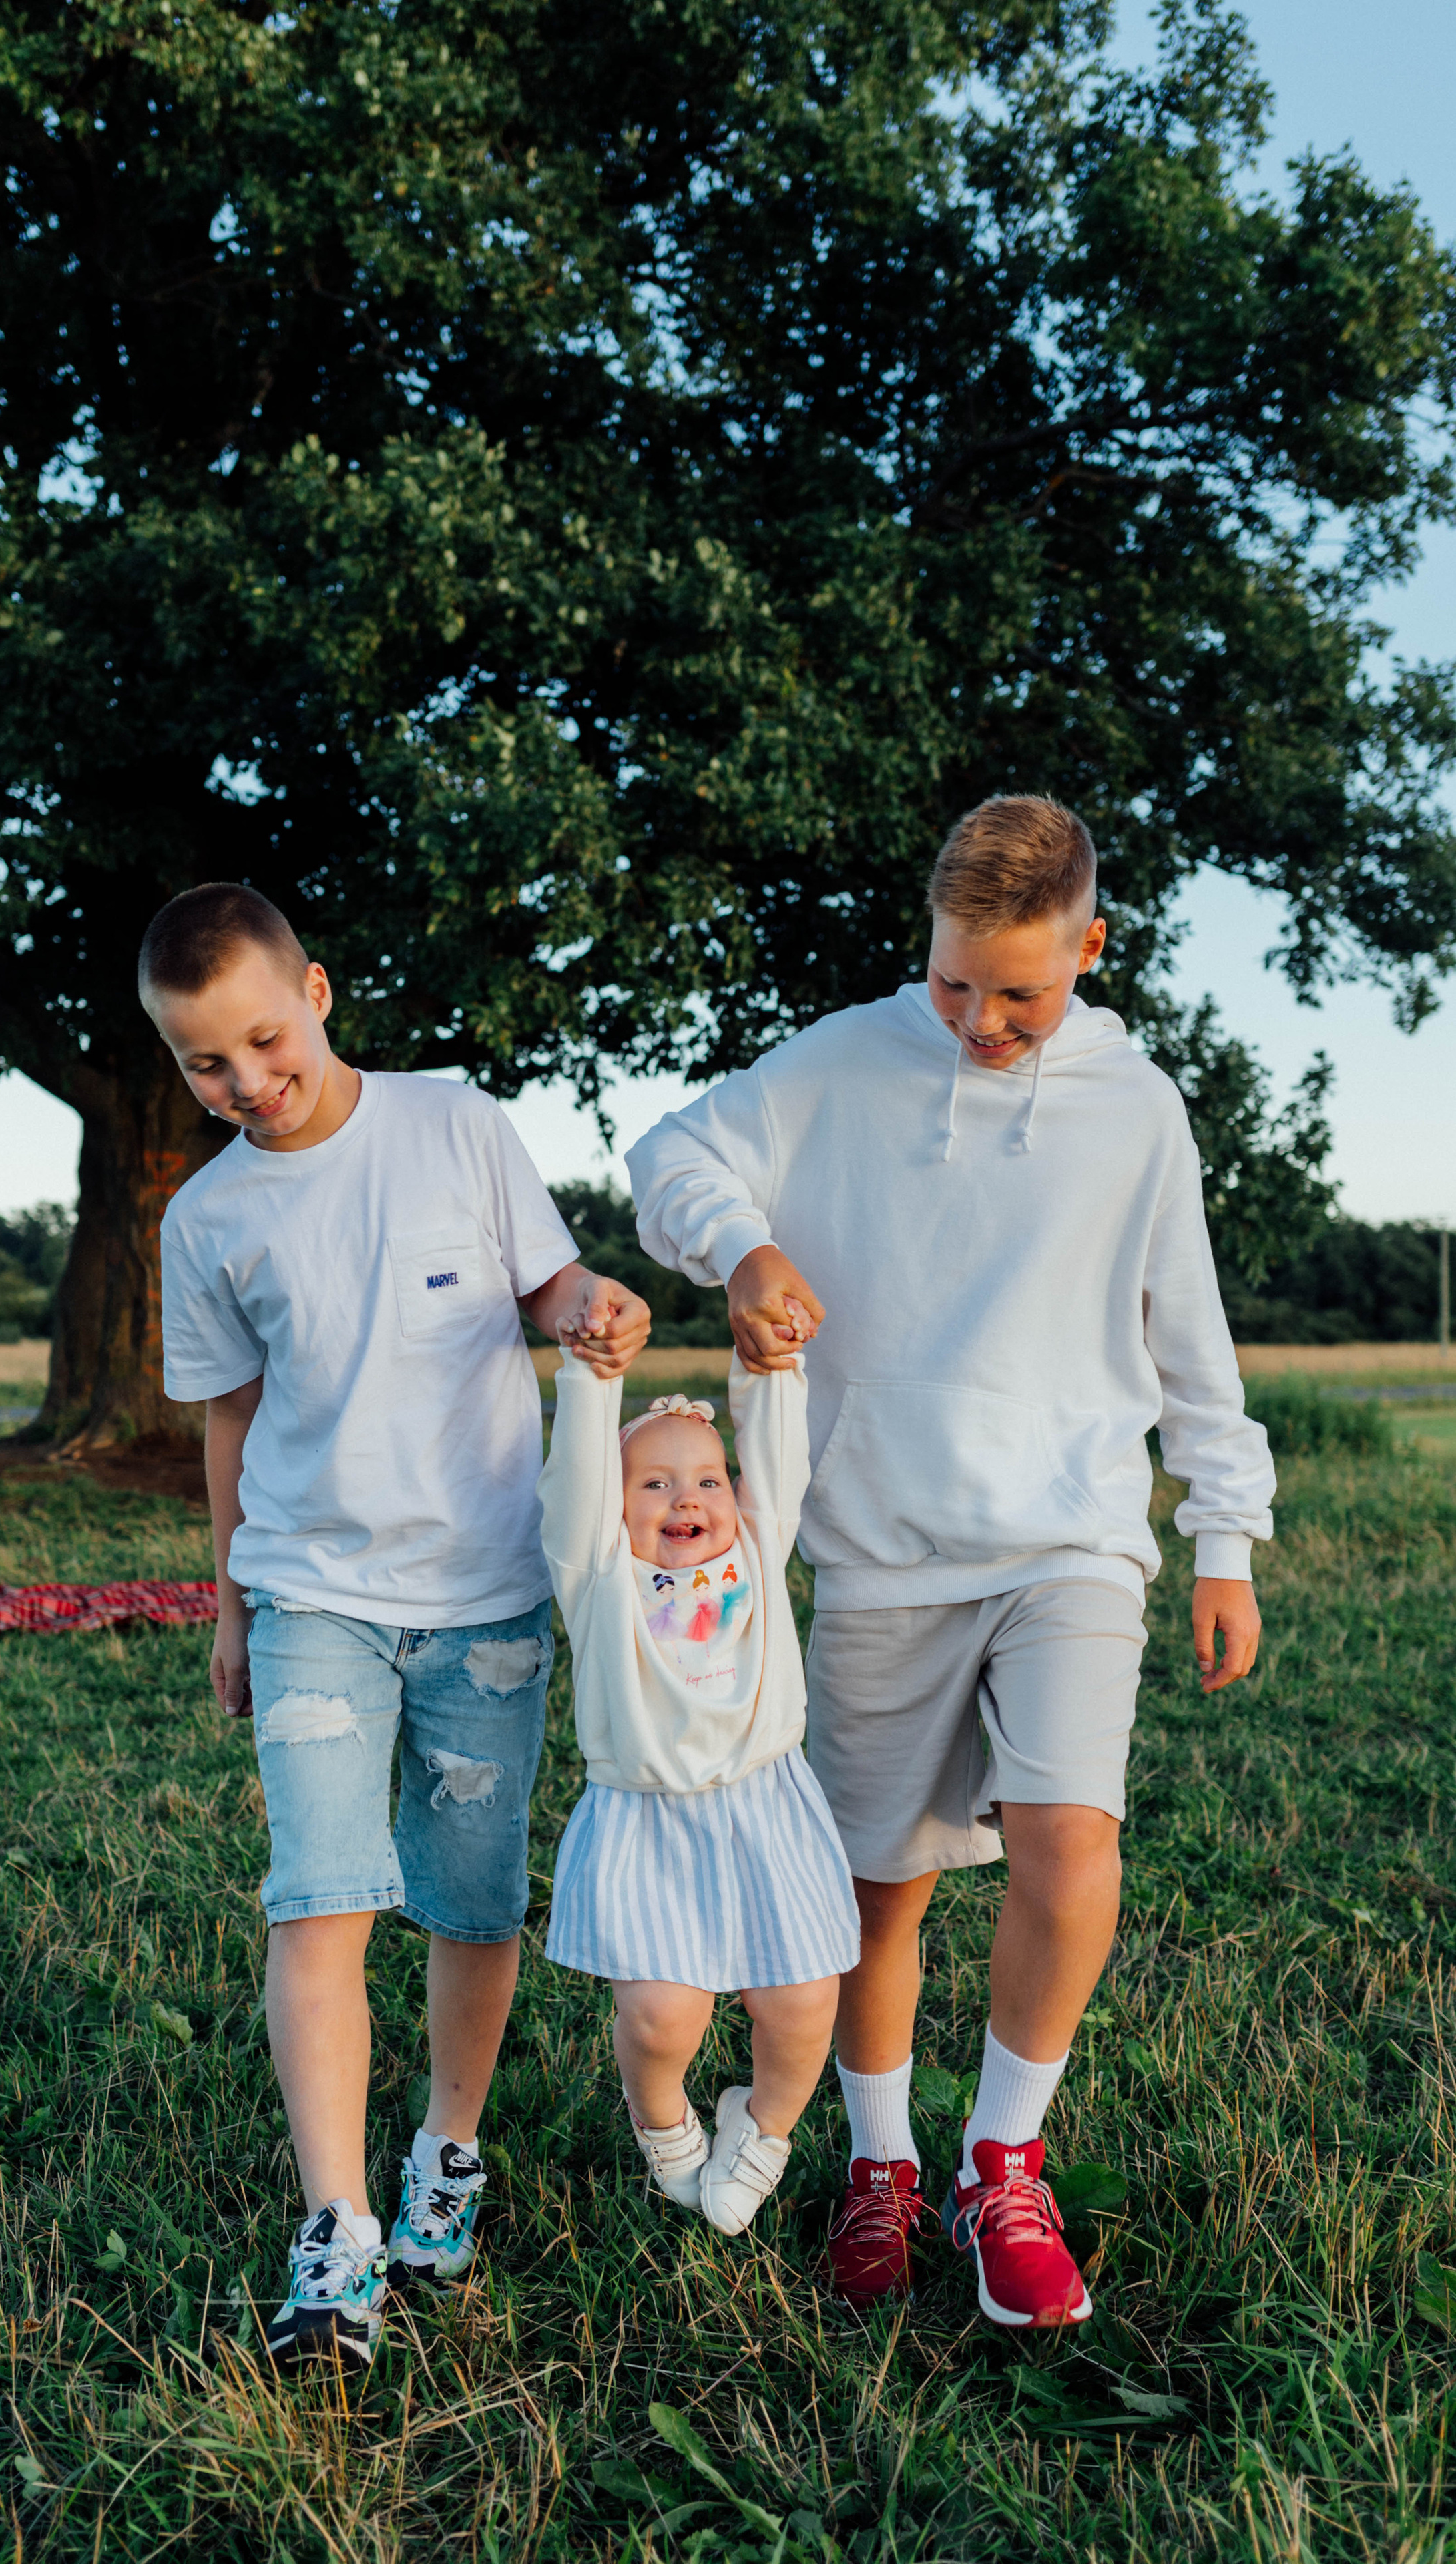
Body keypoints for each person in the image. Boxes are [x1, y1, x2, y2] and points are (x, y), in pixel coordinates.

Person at [626, 795, 1273, 2330]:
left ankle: (1002, 2156)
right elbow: (670, 1155)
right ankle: (877, 2163)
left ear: (1089, 949)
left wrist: (1222, 1535)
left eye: (1020, 992)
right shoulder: (839, 1063)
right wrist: (745, 1248)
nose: (980, 1019)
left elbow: (1187, 1337)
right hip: (879, 1545)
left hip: (1069, 1538)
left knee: (1069, 1846)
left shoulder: (1136, 1109)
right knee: (877, 1888)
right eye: (953, 984)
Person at [141, 881, 650, 2369]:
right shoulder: (209, 1217)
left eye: (260, 1038)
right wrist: (232, 1607)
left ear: (317, 988)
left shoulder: (454, 1128)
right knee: (320, 1893)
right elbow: (228, 1423)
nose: (244, 1082)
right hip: (313, 1599)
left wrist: (586, 1305)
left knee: (474, 1901)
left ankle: (444, 2151)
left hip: (487, 1599)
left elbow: (546, 1280)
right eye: (200, 1063)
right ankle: (337, 2232)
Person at [537, 1342, 859, 2233]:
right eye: (653, 1485)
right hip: (649, 1820)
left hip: (766, 1803)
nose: (687, 1499)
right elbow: (577, 1481)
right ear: (614, 1505)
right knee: (658, 2017)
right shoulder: (599, 1575)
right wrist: (593, 1377)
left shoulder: (755, 1550)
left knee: (801, 2000)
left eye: (709, 1481)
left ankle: (762, 2127)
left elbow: (778, 1458)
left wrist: (773, 1367)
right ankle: (663, 2115)